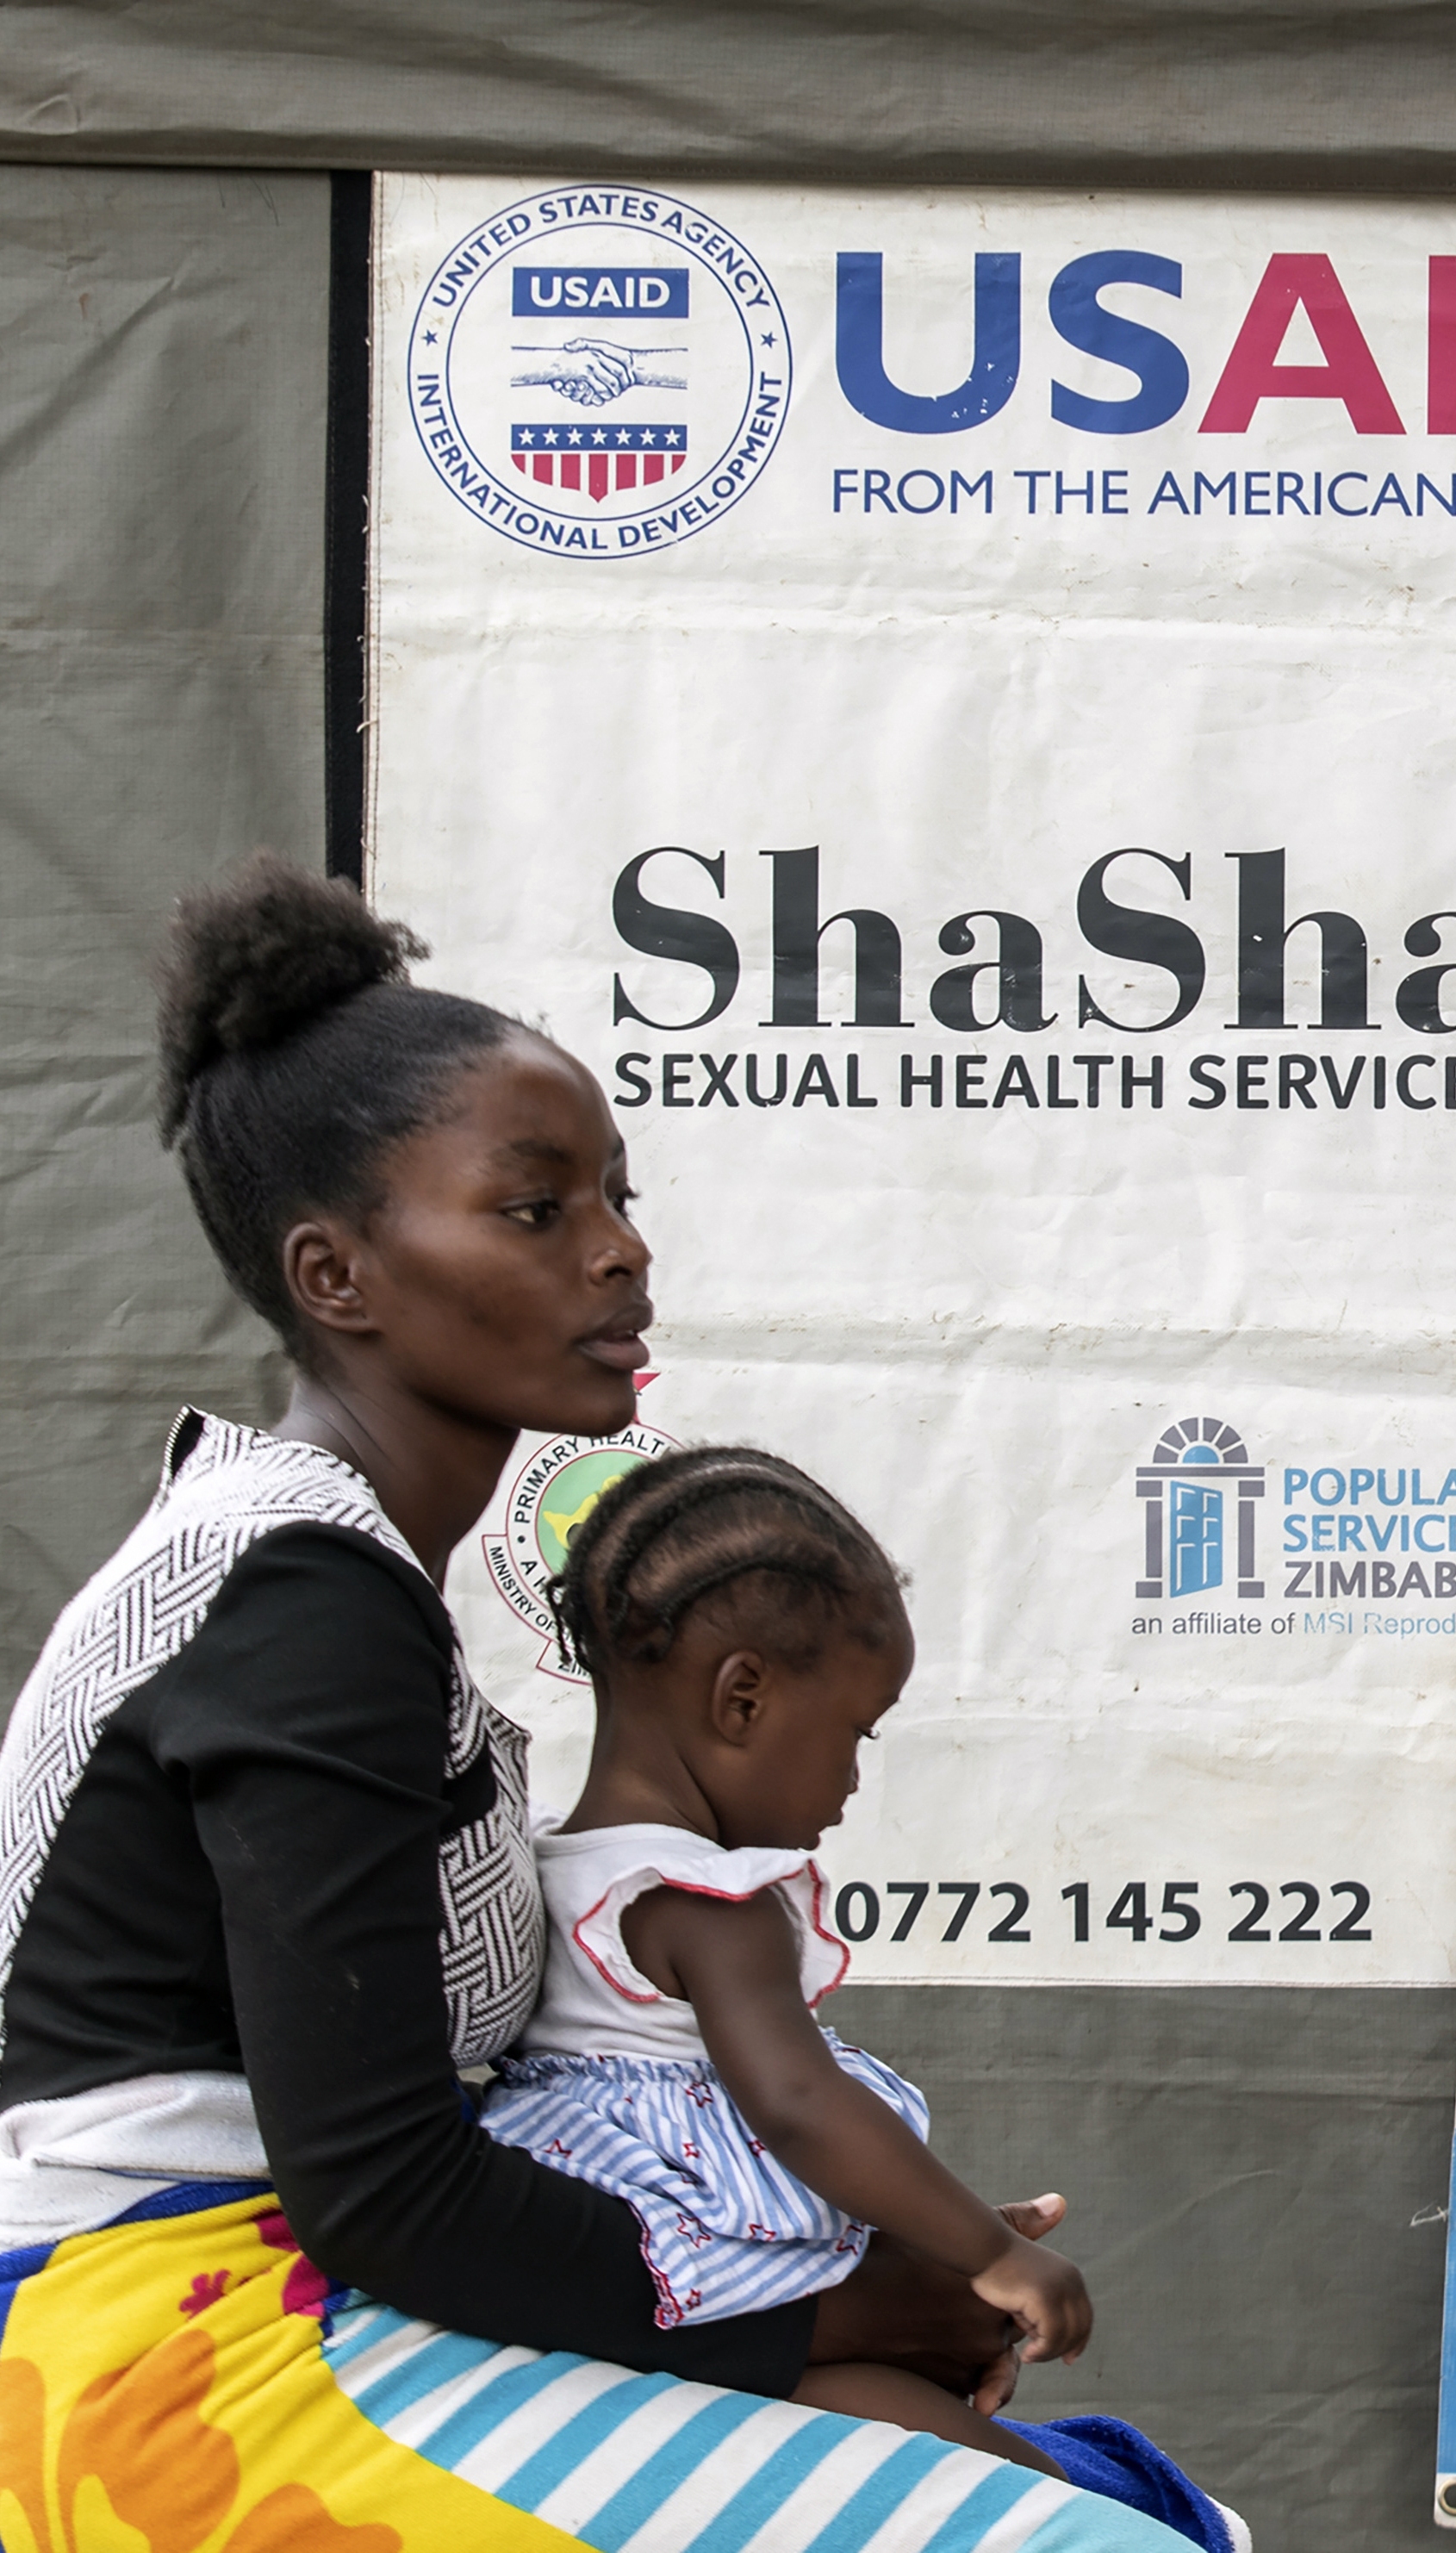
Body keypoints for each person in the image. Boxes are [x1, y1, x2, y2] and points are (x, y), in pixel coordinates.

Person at [0, 856, 1217, 2547]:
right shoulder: (304, 1607)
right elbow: (388, 2192)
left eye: (618, 1196)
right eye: (536, 1207)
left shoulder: (311, 1565)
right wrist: (836, 2312)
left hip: (271, 2305)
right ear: (337, 1275)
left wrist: (839, 2249)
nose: (621, 1250)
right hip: (182, 2358)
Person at [479, 1442, 1241, 2541]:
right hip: (730, 2287)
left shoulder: (564, 1860)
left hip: (641, 2279)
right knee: (1047, 2508)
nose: (849, 1777)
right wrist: (992, 2250)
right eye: (854, 1732)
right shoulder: (709, 1897)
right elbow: (796, 2103)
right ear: (742, 1696)